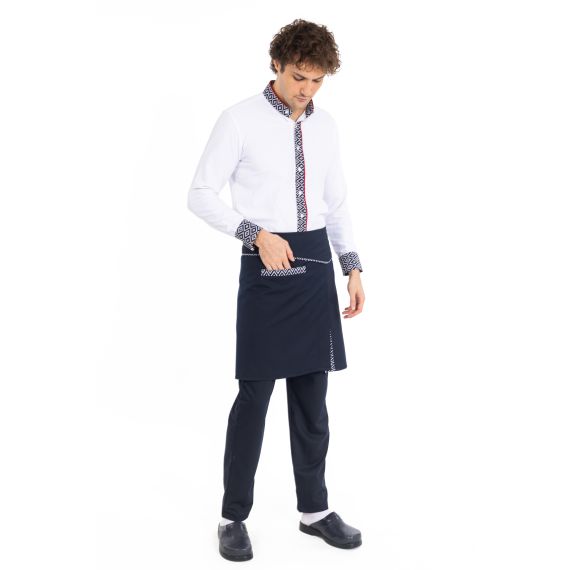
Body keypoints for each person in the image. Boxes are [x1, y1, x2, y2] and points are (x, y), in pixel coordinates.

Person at [187, 18, 365, 561]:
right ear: (276, 65)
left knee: (313, 402)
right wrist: (255, 234)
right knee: (254, 400)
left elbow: (336, 201)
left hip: (315, 266)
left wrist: (352, 266)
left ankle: (314, 511)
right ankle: (232, 517)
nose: (306, 90)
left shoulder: (327, 126)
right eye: (298, 77)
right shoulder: (238, 120)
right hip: (264, 264)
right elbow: (199, 193)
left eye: (317, 81)